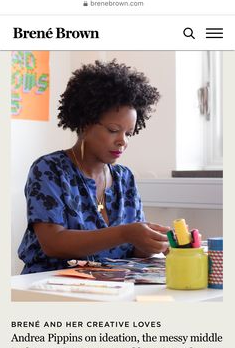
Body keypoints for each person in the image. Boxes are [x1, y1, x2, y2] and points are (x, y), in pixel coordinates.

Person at [18, 60, 169, 274]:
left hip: (110, 286)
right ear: (86, 122)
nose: (122, 141)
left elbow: (131, 250)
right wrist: (126, 233)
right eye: (113, 130)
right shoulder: (50, 169)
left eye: (129, 133)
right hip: (51, 286)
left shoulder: (124, 178)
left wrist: (154, 241)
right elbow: (53, 243)